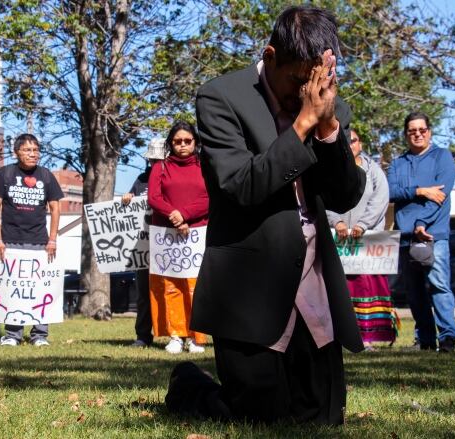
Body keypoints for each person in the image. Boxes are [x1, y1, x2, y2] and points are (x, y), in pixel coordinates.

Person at [165, 6, 365, 424]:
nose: (304, 93)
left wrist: (327, 129)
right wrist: (302, 124)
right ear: (270, 56)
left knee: (322, 418)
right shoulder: (220, 97)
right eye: (297, 80)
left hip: (310, 274)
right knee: (260, 418)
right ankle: (188, 384)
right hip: (249, 282)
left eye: (317, 80)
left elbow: (345, 195)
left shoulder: (329, 107)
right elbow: (241, 184)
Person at [387, 112, 455, 352]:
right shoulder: (399, 162)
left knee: (438, 285)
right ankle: (425, 340)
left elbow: (440, 195)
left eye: (422, 129)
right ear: (406, 134)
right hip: (406, 236)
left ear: (429, 131)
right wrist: (419, 190)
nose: (417, 134)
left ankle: (448, 337)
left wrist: (421, 222)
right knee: (415, 291)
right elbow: (390, 192)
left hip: (433, 234)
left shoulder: (442, 157)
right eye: (412, 131)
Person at [0, 133, 64, 346]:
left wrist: (52, 239)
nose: (33, 154)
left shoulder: (46, 175)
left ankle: (39, 335)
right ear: (17, 152)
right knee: (14, 289)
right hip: (10, 240)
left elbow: (55, 208)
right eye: (28, 150)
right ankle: (12, 335)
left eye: (36, 150)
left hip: (39, 242)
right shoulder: (5, 174)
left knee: (40, 289)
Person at [327, 129, 396, 350]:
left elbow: (380, 201)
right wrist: (337, 222)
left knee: (367, 288)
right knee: (341, 290)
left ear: (361, 143)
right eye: (345, 142)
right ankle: (341, 337)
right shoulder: (332, 171)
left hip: (367, 241)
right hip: (340, 240)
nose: (350, 145)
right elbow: (324, 199)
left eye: (353, 141)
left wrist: (361, 225)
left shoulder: (374, 171)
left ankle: (368, 338)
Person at [147, 121, 210, 354]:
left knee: (196, 286)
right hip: (166, 235)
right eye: (177, 142)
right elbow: (153, 198)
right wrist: (174, 217)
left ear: (195, 142)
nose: (182, 145)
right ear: (170, 144)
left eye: (187, 141)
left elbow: (209, 197)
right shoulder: (160, 168)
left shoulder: (206, 166)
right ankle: (176, 335)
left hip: (197, 233)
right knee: (171, 285)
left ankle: (197, 337)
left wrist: (184, 215)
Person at [121, 138, 165, 348]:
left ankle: (179, 334)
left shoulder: (172, 177)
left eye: (159, 159)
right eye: (153, 160)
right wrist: (128, 196)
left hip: (168, 245)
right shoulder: (141, 179)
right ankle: (143, 336)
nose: (155, 164)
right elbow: (130, 203)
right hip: (144, 248)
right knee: (143, 295)